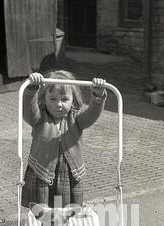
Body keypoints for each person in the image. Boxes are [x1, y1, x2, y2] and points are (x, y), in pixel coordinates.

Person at [21, 69, 107, 208]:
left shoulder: (76, 119)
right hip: (42, 172)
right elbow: (28, 111)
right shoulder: (40, 118)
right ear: (44, 98)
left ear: (73, 99)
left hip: (68, 175)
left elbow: (92, 114)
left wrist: (98, 94)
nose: (59, 104)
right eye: (53, 99)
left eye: (64, 99)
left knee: (67, 215)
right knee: (42, 215)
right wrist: (32, 88)